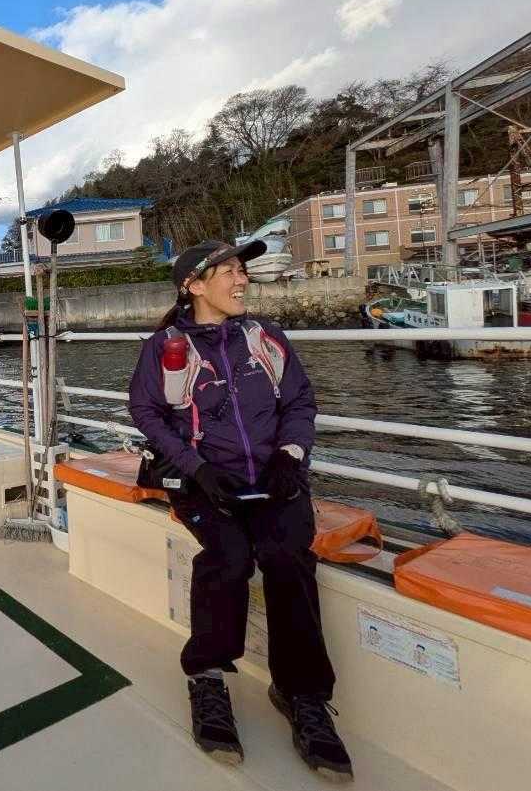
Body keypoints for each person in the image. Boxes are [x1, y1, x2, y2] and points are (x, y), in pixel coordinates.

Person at [128, 239, 353, 782]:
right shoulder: (164, 348)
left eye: (242, 270)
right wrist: (197, 468)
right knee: (227, 559)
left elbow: (299, 402)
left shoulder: (264, 338)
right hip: (207, 482)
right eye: (228, 271)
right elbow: (146, 412)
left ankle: (302, 694)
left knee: (287, 557)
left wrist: (291, 455)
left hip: (275, 480)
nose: (242, 279)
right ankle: (207, 677)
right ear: (194, 285)